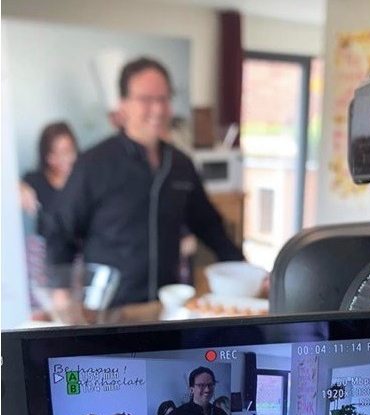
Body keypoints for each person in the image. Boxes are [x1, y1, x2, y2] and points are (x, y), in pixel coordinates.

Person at [46, 57, 245, 312]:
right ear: (123, 105)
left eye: (164, 99)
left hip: (166, 305)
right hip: (109, 310)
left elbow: (209, 225)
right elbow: (60, 229)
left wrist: (244, 268)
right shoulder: (94, 163)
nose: (158, 109)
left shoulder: (180, 164)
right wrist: (61, 294)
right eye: (146, 99)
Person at [20, 122, 79, 238]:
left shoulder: (85, 178)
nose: (63, 159)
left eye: (67, 151)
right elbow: (10, 186)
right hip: (46, 245)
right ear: (46, 156)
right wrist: (20, 188)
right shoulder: (35, 180)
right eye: (54, 154)